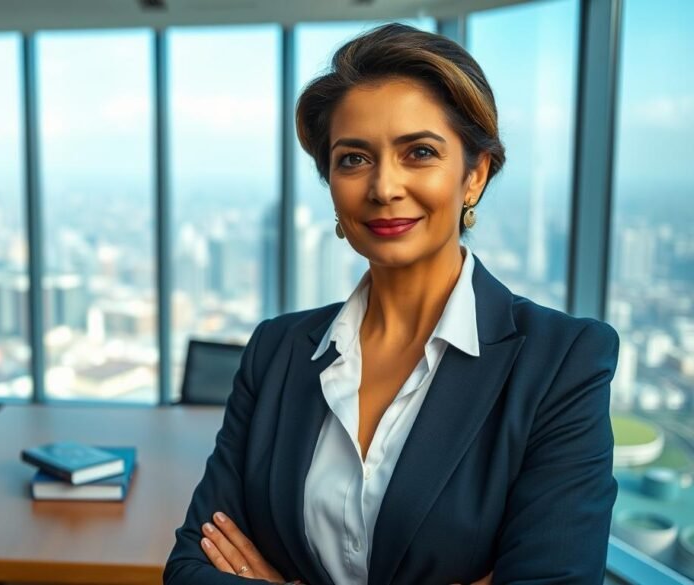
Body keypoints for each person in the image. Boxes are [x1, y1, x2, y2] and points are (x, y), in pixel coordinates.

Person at [163, 23, 619, 585]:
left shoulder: (561, 362)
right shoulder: (276, 351)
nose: (383, 187)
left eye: (420, 152)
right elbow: (190, 568)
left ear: (474, 175)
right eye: (353, 159)